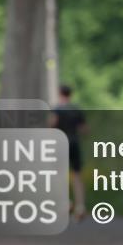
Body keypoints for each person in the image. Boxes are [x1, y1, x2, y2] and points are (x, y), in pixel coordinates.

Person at [51, 84, 88, 221]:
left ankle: (66, 202)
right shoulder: (76, 109)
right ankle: (80, 206)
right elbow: (85, 129)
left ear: (60, 94)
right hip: (74, 143)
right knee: (77, 175)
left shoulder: (57, 109)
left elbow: (52, 124)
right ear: (70, 94)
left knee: (60, 174)